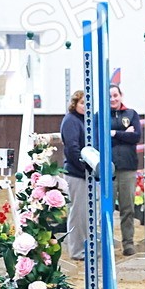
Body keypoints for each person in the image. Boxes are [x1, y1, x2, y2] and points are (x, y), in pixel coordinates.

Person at [109, 84, 142, 256]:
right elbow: (101, 137)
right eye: (110, 96)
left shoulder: (131, 114)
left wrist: (114, 133)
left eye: (115, 95)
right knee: (106, 208)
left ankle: (128, 243)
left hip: (128, 168)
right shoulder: (101, 116)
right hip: (108, 169)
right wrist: (124, 134)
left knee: (127, 208)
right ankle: (106, 243)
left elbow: (136, 136)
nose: (113, 99)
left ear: (121, 95)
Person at [60, 90, 88, 261]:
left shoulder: (83, 120)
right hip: (76, 173)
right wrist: (86, 167)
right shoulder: (71, 121)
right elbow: (72, 148)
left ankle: (83, 247)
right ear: (75, 104)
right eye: (83, 103)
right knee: (77, 213)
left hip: (84, 173)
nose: (86, 107)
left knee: (83, 213)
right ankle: (77, 250)